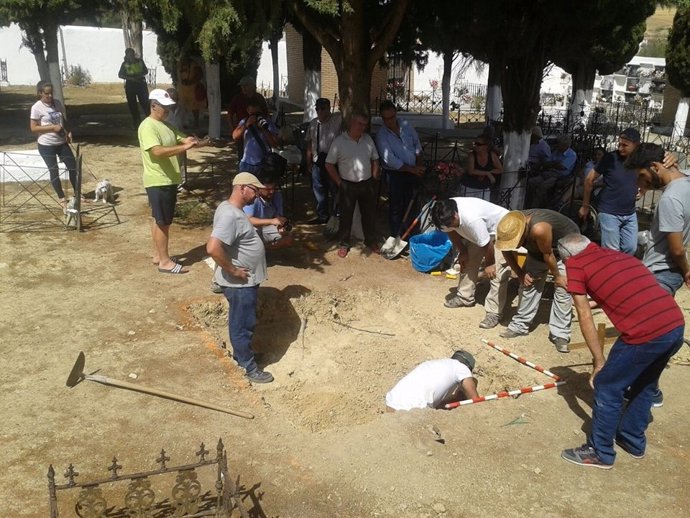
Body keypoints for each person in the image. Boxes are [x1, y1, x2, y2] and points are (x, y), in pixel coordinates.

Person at [557, 234, 684, 469]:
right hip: (674, 325)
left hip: (645, 334)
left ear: (566, 258)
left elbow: (584, 316)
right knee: (645, 384)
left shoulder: (575, 264)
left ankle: (600, 452)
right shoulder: (617, 255)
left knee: (607, 384)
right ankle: (632, 440)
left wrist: (598, 361)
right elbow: (626, 287)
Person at [206, 172, 274, 384]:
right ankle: (247, 366)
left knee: (244, 321)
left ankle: (244, 355)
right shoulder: (230, 215)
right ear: (242, 188)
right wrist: (234, 271)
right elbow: (213, 248)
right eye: (254, 190)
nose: (257, 195)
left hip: (244, 282)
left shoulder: (234, 210)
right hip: (239, 283)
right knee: (242, 323)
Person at [495, 209, 579, 351]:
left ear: (523, 234)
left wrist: (558, 277)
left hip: (565, 246)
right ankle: (520, 325)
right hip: (540, 250)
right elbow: (506, 250)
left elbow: (548, 254)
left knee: (563, 287)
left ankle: (560, 333)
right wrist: (521, 274)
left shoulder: (539, 229)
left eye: (516, 243)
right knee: (528, 283)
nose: (515, 247)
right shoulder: (508, 225)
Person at [138, 89, 202, 274]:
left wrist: (193, 141)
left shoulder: (165, 125)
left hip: (167, 180)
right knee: (163, 222)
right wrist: (183, 147)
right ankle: (165, 262)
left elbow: (182, 138)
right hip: (159, 180)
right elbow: (157, 151)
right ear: (154, 106)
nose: (168, 111)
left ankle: (159, 255)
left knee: (159, 220)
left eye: (170, 107)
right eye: (165, 108)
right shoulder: (148, 126)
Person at [431, 198, 511, 329]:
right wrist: (462, 250)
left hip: (501, 230)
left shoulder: (471, 219)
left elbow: (487, 244)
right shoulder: (443, 215)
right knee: (467, 260)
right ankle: (464, 297)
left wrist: (490, 264)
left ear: (455, 215)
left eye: (452, 223)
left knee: (497, 271)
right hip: (480, 233)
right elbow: (451, 231)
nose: (450, 226)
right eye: (447, 225)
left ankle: (494, 312)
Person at [625, 143, 690, 295]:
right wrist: (674, 165)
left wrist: (687, 271)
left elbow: (678, 250)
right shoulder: (686, 181)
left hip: (659, 273)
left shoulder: (670, 198)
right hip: (665, 274)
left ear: (654, 167)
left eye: (641, 175)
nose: (639, 183)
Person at [325, 111, 381, 258]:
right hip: (347, 185)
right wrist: (339, 182)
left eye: (364, 125)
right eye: (359, 124)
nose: (362, 127)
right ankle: (344, 244)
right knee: (346, 216)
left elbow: (375, 158)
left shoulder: (367, 139)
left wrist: (374, 175)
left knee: (369, 214)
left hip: (367, 183)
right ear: (351, 123)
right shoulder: (339, 142)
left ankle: (371, 241)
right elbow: (329, 164)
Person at [578, 128, 641, 254]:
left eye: (625, 145)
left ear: (636, 145)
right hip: (609, 212)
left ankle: (618, 270)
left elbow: (651, 175)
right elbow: (589, 179)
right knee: (611, 251)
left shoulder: (640, 160)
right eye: (619, 144)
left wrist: (643, 191)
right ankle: (610, 271)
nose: (620, 148)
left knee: (630, 248)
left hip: (629, 212)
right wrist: (585, 205)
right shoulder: (610, 158)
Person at [375, 100, 425, 235]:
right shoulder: (382, 135)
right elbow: (389, 160)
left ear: (395, 114)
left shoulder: (406, 125)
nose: (389, 122)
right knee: (396, 206)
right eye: (385, 119)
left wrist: (419, 166)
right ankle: (397, 234)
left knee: (412, 203)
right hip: (395, 174)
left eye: (391, 118)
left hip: (413, 170)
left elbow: (417, 145)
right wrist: (411, 169)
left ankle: (411, 233)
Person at [29, 81, 77, 212]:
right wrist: (52, 128)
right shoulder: (36, 107)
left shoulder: (57, 103)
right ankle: (61, 197)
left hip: (61, 143)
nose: (50, 96)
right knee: (54, 170)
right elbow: (33, 128)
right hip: (46, 145)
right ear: (40, 93)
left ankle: (78, 194)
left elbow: (63, 120)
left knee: (73, 167)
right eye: (46, 94)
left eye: (51, 93)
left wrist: (69, 131)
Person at [385, 350, 479, 411]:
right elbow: (474, 397)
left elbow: (440, 405)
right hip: (413, 410)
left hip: (392, 402)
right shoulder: (461, 367)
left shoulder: (434, 364)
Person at [305, 98, 342, 224]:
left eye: (323, 109)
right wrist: (308, 162)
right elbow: (310, 144)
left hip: (333, 162)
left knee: (334, 189)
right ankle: (322, 215)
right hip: (317, 162)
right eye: (317, 109)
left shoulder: (337, 120)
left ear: (328, 108)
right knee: (319, 190)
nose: (320, 112)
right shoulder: (313, 123)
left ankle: (336, 216)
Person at [527, 134, 577, 209]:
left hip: (559, 176)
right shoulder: (557, 152)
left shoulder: (572, 154)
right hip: (548, 173)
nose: (557, 145)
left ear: (565, 145)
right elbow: (546, 163)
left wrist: (552, 164)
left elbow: (562, 167)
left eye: (559, 144)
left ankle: (534, 207)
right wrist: (555, 163)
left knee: (543, 187)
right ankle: (535, 202)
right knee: (531, 182)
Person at [232, 97, 279, 175]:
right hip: (247, 163)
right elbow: (235, 136)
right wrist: (246, 125)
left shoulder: (268, 123)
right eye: (253, 114)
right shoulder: (244, 121)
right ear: (248, 111)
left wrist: (264, 129)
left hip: (263, 163)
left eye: (258, 114)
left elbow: (274, 144)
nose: (256, 117)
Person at [244, 175, 292, 248]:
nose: (271, 191)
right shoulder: (254, 198)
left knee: (288, 235)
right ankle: (260, 249)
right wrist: (272, 221)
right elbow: (248, 220)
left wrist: (280, 226)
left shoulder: (276, 196)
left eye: (273, 188)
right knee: (253, 231)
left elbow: (278, 216)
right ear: (259, 188)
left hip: (265, 228)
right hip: (252, 229)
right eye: (268, 189)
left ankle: (265, 248)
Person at [227, 76, 268, 161]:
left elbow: (266, 113)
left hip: (258, 129)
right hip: (242, 129)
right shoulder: (237, 98)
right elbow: (229, 115)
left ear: (253, 86)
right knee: (242, 155)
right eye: (242, 86)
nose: (244, 88)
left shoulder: (259, 97)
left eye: (246, 85)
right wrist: (233, 130)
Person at [462, 134, 502, 201]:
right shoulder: (472, 155)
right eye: (475, 143)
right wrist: (487, 173)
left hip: (484, 187)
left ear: (486, 146)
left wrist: (490, 172)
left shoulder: (492, 155)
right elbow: (471, 171)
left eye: (478, 144)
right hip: (469, 186)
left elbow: (500, 169)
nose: (476, 146)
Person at [118, 47, 149, 129]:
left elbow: (146, 71)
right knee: (132, 104)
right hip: (130, 85)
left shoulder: (140, 61)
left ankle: (150, 119)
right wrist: (130, 78)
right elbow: (120, 75)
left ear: (134, 54)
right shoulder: (125, 64)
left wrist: (140, 75)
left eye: (132, 54)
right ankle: (137, 122)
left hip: (141, 84)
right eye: (128, 54)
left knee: (145, 102)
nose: (130, 55)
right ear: (126, 55)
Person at [177, 57, 206, 128]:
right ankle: (184, 122)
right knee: (182, 106)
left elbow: (200, 75)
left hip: (193, 88)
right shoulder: (179, 64)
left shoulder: (193, 65)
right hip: (182, 88)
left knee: (194, 107)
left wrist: (191, 81)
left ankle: (196, 123)